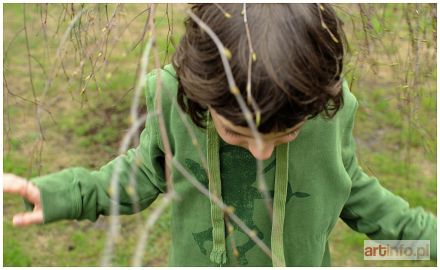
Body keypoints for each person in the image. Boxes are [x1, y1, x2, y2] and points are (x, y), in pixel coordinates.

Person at [3, 3, 436, 267]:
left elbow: (354, 192)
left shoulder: (328, 110)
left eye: (287, 134)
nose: (262, 152)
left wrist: (427, 244)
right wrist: (66, 194)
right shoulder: (173, 101)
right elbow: (141, 176)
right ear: (199, 95)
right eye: (236, 132)